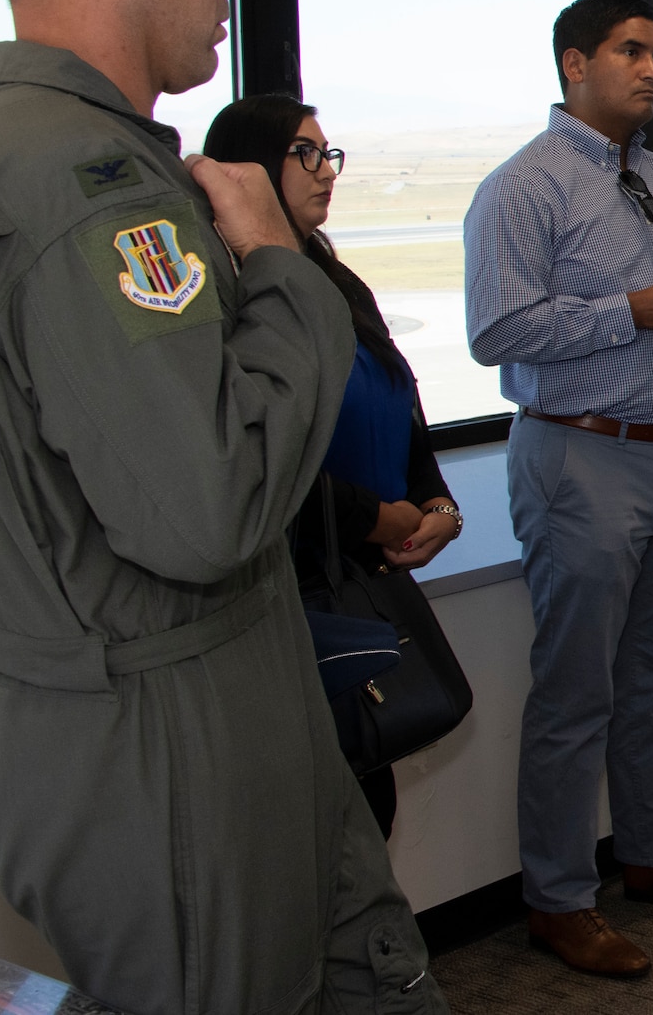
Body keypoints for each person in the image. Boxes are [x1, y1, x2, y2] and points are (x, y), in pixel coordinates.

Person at [0, 0, 446, 1013]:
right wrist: (282, 273)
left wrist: (42, 581)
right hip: (165, 736)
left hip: (120, 707)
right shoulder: (92, 188)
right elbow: (209, 506)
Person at [464, 0, 653, 980]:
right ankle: (556, 897)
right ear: (571, 63)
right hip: (580, 457)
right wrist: (630, 311)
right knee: (574, 692)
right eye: (630, 51)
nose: (649, 69)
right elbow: (498, 333)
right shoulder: (523, 188)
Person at [205, 95, 464, 839]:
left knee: (367, 804)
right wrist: (375, 517)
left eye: (330, 155)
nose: (327, 173)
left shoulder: (336, 281)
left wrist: (439, 509)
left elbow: (400, 407)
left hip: (364, 581)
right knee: (308, 825)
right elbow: (261, 454)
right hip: (285, 595)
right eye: (306, 155)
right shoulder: (230, 294)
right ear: (248, 169)